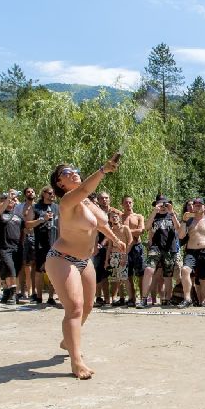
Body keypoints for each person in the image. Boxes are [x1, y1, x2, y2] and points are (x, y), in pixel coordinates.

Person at [45, 160, 124, 378]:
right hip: (62, 259)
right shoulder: (68, 201)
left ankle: (67, 340)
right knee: (75, 308)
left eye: (75, 170)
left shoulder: (88, 202)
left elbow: (101, 224)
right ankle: (76, 362)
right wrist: (102, 171)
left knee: (88, 306)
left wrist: (115, 239)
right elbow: (85, 188)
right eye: (67, 173)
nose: (74, 173)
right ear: (60, 183)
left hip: (84, 260)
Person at [139, 196, 185, 308]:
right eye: (160, 204)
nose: (163, 207)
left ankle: (167, 299)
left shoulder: (172, 215)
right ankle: (144, 299)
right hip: (155, 248)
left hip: (170, 248)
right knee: (148, 270)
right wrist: (155, 211)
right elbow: (147, 227)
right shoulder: (155, 215)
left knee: (167, 275)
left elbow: (178, 228)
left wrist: (172, 211)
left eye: (165, 204)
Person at [181, 197, 205, 307]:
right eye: (195, 204)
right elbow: (180, 236)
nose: (197, 206)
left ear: (203, 207)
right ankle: (187, 298)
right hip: (191, 251)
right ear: (193, 206)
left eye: (200, 204)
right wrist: (184, 221)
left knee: (204, 279)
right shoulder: (188, 220)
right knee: (185, 270)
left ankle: (202, 302)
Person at [0, 190, 25, 304]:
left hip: (16, 248)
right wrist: (7, 199)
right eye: (9, 200)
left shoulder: (17, 216)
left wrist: (41, 219)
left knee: (11, 271)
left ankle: (6, 292)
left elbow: (26, 226)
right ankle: (13, 294)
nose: (12, 201)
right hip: (2, 247)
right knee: (10, 270)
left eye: (13, 200)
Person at [27, 187, 59, 305]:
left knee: (53, 271)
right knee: (39, 270)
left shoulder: (57, 207)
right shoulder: (36, 207)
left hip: (55, 243)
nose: (53, 195)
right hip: (41, 243)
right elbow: (28, 224)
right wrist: (41, 219)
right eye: (50, 193)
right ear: (43, 194)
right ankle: (39, 296)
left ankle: (51, 297)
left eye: (54, 193)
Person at [120, 196, 145, 306]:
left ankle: (142, 298)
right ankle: (131, 298)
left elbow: (141, 231)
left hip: (136, 247)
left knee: (140, 274)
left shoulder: (138, 216)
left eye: (130, 202)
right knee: (127, 274)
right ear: (122, 204)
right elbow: (117, 231)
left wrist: (126, 230)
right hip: (124, 248)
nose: (128, 204)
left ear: (133, 203)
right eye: (126, 203)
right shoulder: (120, 217)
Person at [105, 210, 132, 306]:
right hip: (113, 255)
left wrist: (124, 256)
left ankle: (131, 299)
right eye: (112, 216)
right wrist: (106, 261)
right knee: (116, 278)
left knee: (124, 278)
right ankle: (121, 298)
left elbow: (130, 242)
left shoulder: (125, 228)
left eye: (116, 216)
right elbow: (109, 246)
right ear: (109, 219)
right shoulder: (111, 231)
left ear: (119, 217)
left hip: (122, 254)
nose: (114, 218)